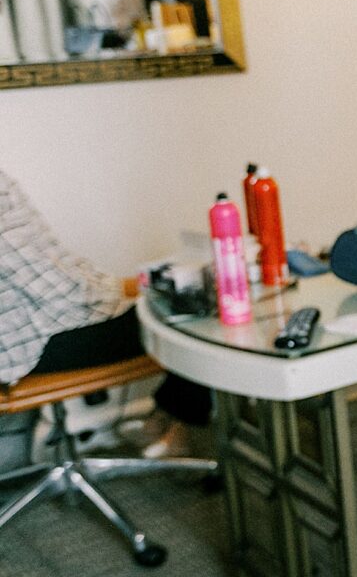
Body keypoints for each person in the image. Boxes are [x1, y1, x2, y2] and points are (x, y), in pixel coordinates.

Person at [0, 168, 209, 458]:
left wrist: (124, 287)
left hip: (22, 343)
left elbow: (56, 268)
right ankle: (177, 426)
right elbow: (58, 293)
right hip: (31, 349)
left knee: (175, 298)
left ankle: (165, 415)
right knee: (194, 313)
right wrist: (126, 291)